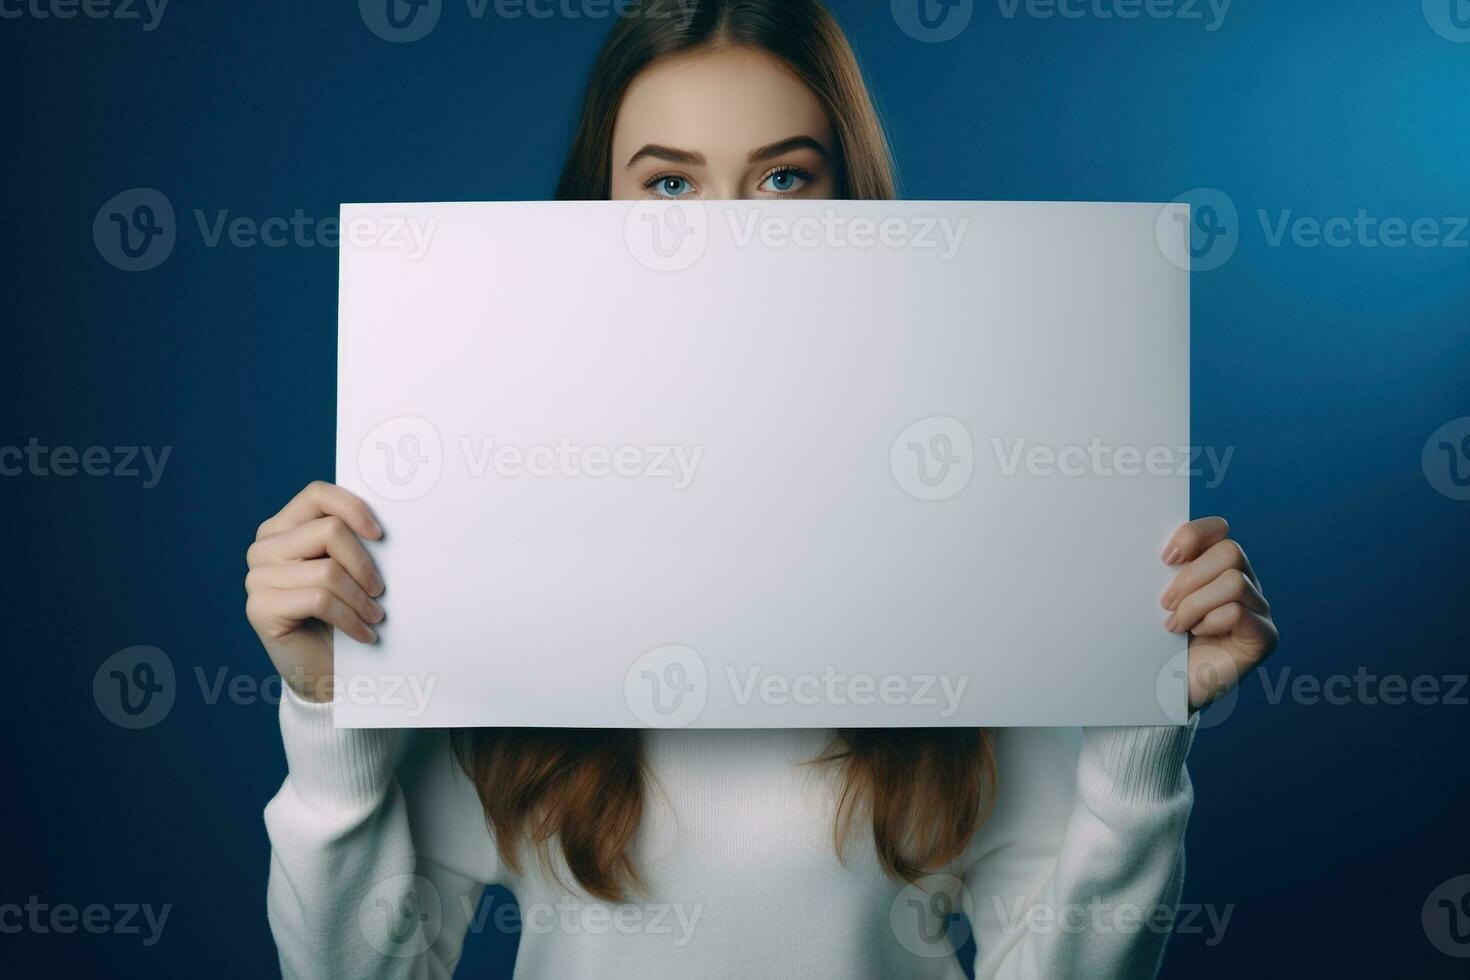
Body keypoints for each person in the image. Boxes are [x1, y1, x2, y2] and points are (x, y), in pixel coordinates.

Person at [249, 2, 1279, 976]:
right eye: (668, 185)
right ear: (590, 218)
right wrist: (328, 709)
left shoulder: (978, 574)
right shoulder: (484, 565)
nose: (727, 235)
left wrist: (1137, 717)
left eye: (784, 179)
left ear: (854, 206)